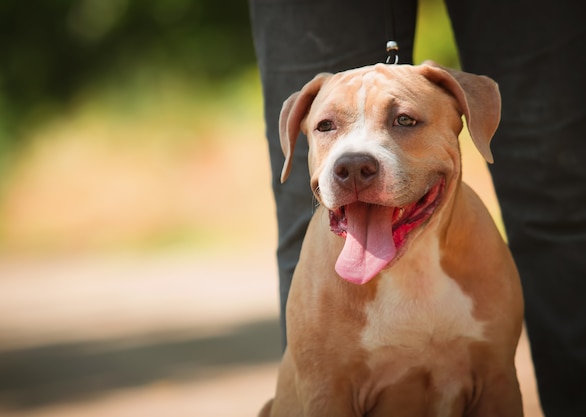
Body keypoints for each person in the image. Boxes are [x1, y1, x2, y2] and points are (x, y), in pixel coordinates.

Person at [248, 0, 586, 415]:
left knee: (557, 201)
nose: (355, 159)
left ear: (464, 115)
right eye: (327, 127)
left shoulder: (487, 271)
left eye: (405, 120)